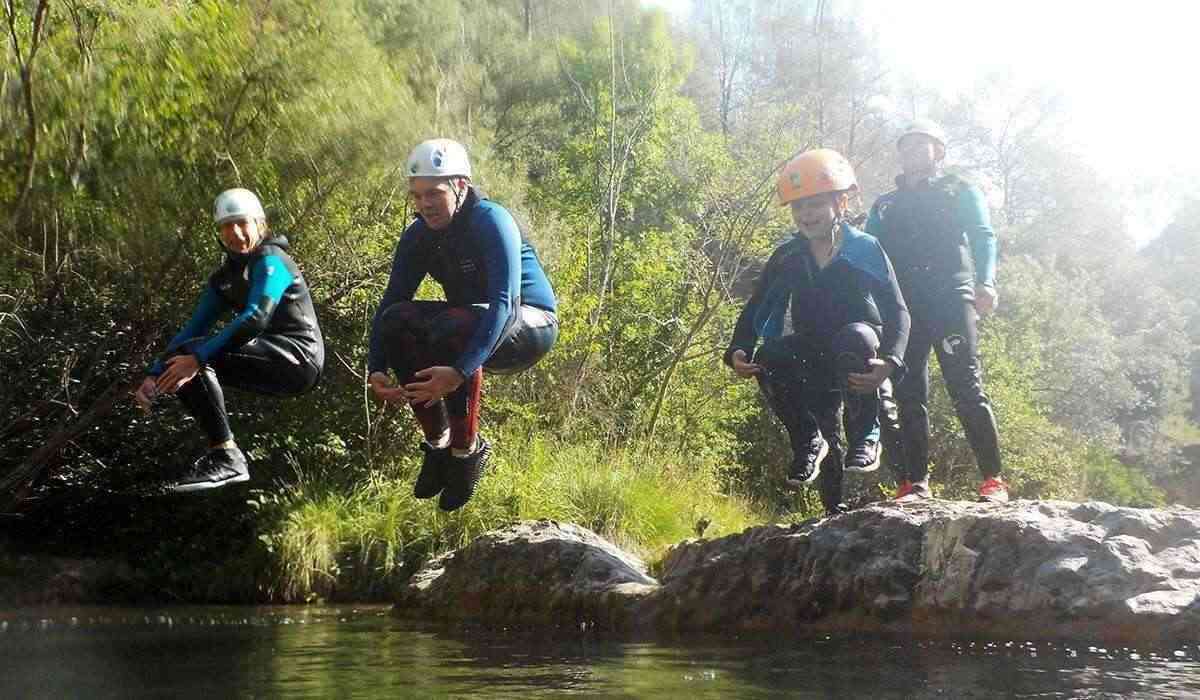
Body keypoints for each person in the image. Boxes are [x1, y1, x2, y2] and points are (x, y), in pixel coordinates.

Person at [368, 138, 558, 512]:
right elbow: (391, 300)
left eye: (434, 193)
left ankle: (466, 452)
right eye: (416, 195)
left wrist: (458, 372)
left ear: (460, 186)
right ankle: (437, 445)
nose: (424, 204)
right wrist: (376, 366)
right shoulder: (419, 234)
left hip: (530, 324)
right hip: (470, 323)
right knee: (398, 320)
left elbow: (505, 304)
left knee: (454, 324)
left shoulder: (491, 220)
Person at [724, 149, 910, 516]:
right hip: (813, 354)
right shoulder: (789, 254)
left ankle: (866, 436)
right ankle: (809, 447)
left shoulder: (864, 248)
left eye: (815, 205)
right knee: (772, 357)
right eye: (798, 208)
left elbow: (898, 310)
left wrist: (891, 361)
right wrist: (739, 349)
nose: (806, 215)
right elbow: (757, 305)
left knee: (853, 338)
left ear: (840, 202)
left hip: (859, 352)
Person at [133, 188, 324, 492]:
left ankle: (227, 456)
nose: (234, 233)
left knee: (191, 355)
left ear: (260, 224)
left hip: (299, 359)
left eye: (242, 223)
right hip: (271, 362)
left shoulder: (272, 259)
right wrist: (155, 374)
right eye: (226, 226)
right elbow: (193, 328)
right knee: (181, 355)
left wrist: (196, 359)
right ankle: (223, 455)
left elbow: (255, 317)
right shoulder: (224, 278)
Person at [865, 119, 1006, 502]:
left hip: (950, 300)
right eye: (905, 145)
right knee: (910, 393)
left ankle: (993, 480)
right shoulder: (886, 204)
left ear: (938, 150)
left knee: (966, 388)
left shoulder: (959, 190)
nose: (911, 151)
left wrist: (987, 282)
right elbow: (867, 253)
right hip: (904, 309)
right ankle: (916, 483)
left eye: (920, 144)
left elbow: (982, 235)